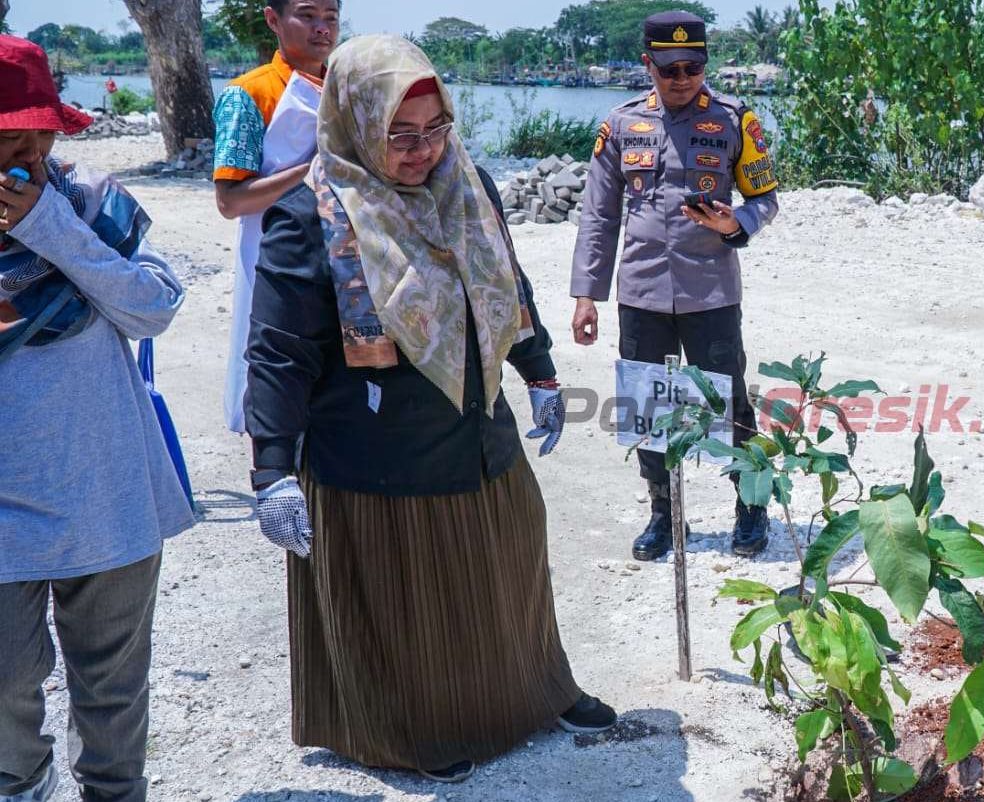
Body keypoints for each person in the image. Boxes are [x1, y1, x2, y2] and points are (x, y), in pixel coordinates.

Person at [244, 35, 611, 784]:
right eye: (400, 136)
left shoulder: (468, 187)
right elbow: (279, 352)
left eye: (435, 130)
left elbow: (505, 284)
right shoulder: (308, 215)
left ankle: (540, 693)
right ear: (355, 122)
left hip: (478, 433)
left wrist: (539, 375)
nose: (421, 152)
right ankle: (406, 732)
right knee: (408, 603)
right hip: (377, 455)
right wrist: (271, 470)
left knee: (510, 577)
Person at [0, 36, 192, 802]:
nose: (25, 150)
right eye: (6, 134)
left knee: (112, 688)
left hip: (107, 491)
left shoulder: (88, 204)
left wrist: (50, 226)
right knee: (5, 682)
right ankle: (22, 783)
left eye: (36, 133)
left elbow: (154, 309)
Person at [570, 10, 781, 562]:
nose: (682, 78)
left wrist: (736, 224)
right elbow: (598, 216)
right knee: (647, 407)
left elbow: (765, 199)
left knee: (729, 403)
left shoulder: (736, 121)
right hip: (640, 293)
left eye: (692, 67)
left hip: (709, 291)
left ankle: (750, 506)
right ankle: (664, 513)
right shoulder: (621, 126)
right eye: (669, 69)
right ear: (648, 65)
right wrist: (585, 295)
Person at [212, 0, 337, 433]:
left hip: (339, 252)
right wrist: (312, 170)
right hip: (271, 252)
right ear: (273, 20)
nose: (322, 28)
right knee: (272, 361)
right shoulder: (248, 94)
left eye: (331, 17)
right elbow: (230, 201)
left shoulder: (344, 88)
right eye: (308, 15)